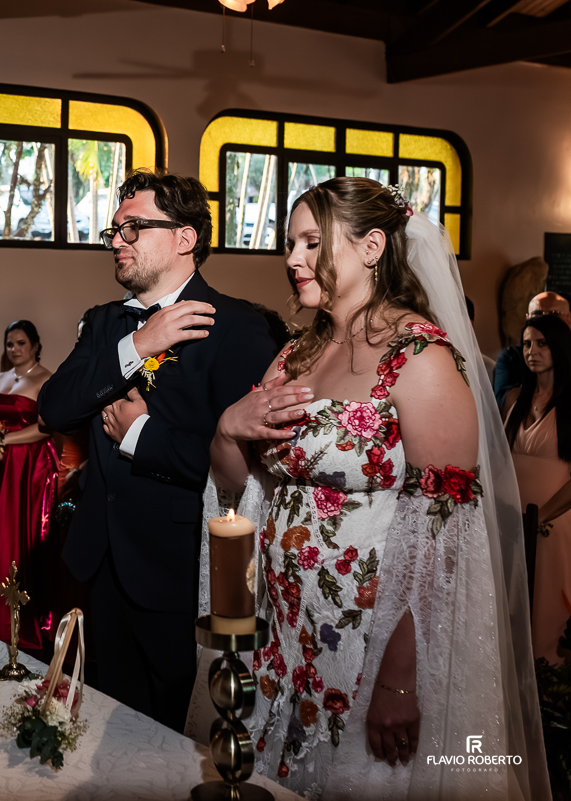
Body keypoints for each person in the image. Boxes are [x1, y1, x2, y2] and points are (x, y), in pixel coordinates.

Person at [201, 177, 547, 799]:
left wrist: (398, 680)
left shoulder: (420, 359)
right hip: (285, 632)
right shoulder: (296, 354)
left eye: (312, 242)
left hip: (369, 640)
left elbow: (445, 542)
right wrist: (228, 430)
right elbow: (239, 488)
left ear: (372, 247)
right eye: (290, 243)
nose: (292, 258)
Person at [37, 169, 277, 732]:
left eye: (134, 228)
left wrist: (141, 437)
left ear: (184, 237)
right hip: (100, 562)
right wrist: (139, 344)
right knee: (102, 721)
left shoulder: (237, 327)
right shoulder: (106, 324)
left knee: (172, 737)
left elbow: (248, 473)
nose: (117, 242)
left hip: (180, 567)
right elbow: (54, 409)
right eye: (114, 231)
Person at [0, 320, 59, 649]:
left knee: (15, 533)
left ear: (35, 346)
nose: (14, 349)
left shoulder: (46, 379)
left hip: (26, 466)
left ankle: (13, 615)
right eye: (9, 344)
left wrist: (3, 441)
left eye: (21, 343)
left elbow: (46, 427)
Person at [504, 314, 571, 664]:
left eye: (542, 343)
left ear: (559, 347)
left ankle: (547, 674)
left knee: (546, 609)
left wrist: (541, 518)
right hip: (510, 518)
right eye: (527, 344)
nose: (533, 351)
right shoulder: (514, 397)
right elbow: (498, 461)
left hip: (553, 519)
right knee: (508, 605)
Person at [494, 291, 570, 408]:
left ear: (569, 318)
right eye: (538, 314)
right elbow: (503, 403)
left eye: (554, 314)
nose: (545, 320)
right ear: (528, 318)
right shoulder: (513, 357)